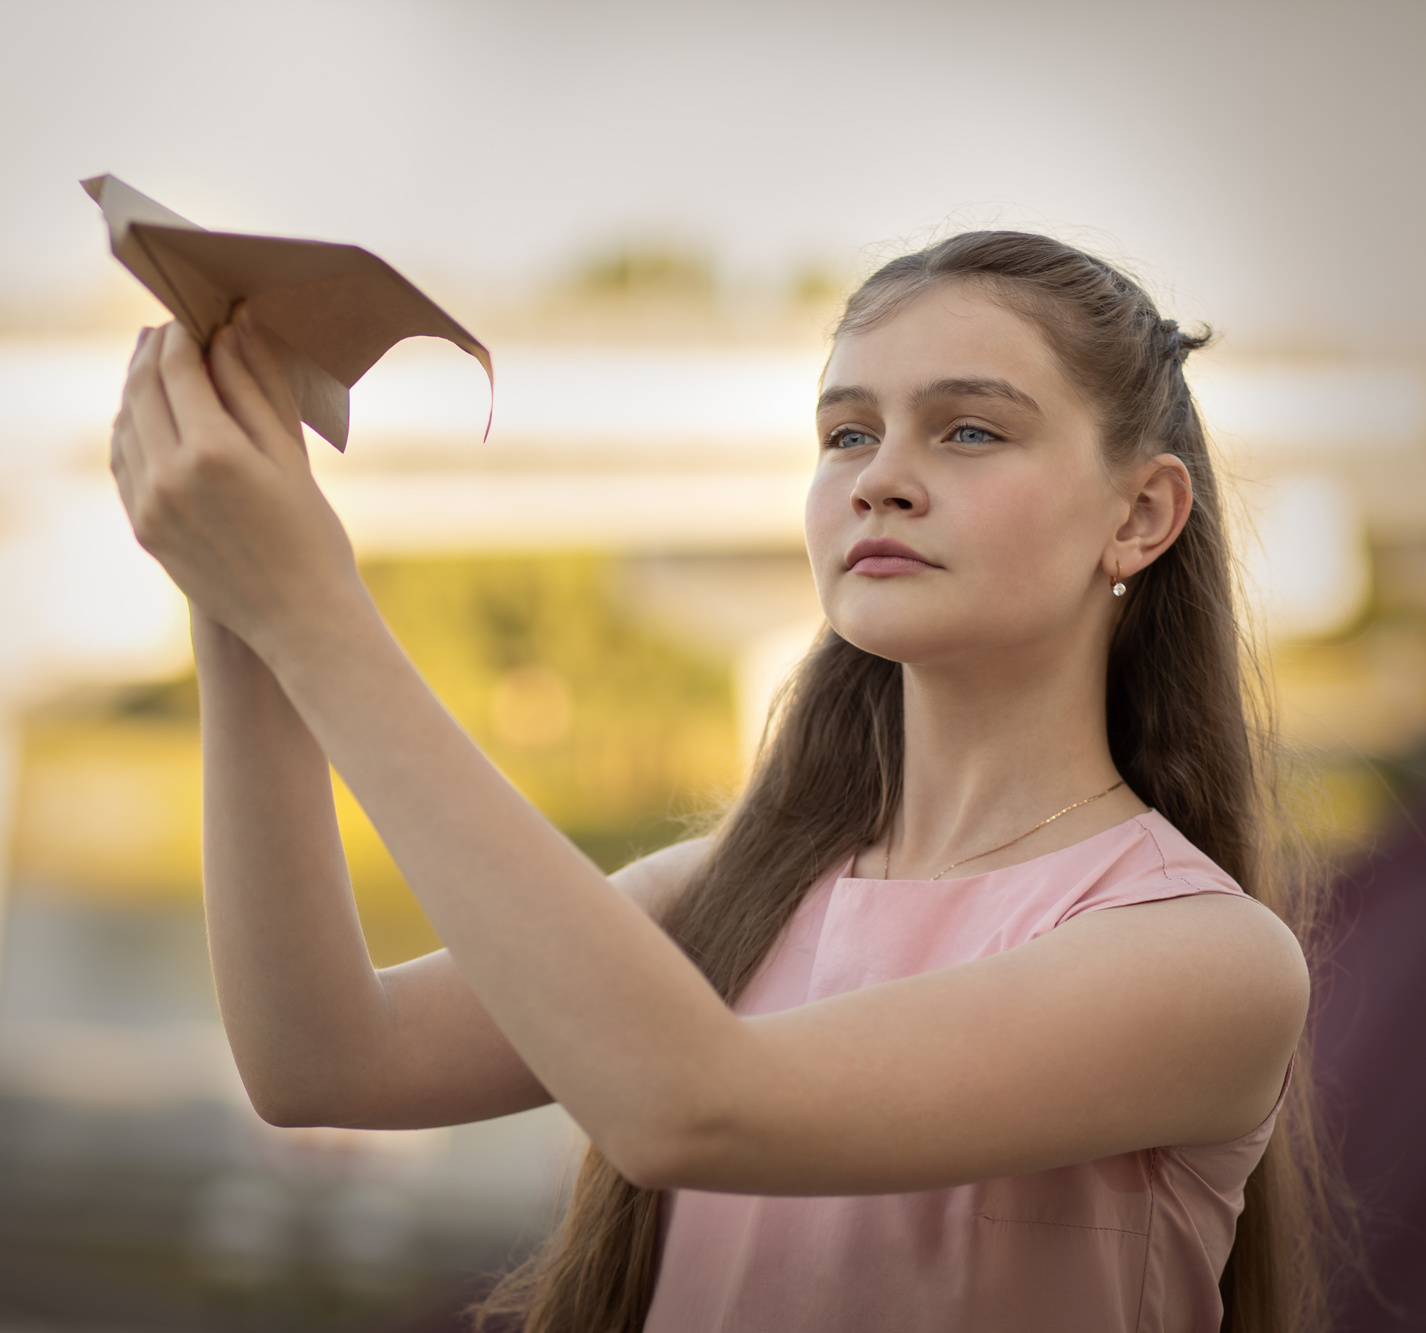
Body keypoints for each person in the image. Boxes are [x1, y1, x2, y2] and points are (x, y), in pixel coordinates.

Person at [109, 231, 1331, 1332]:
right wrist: (237, 602)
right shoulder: (729, 891)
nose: (879, 476)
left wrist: (314, 607)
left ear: (1141, 514)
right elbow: (324, 1059)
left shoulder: (1203, 956)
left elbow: (688, 1103)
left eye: (968, 428)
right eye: (847, 432)